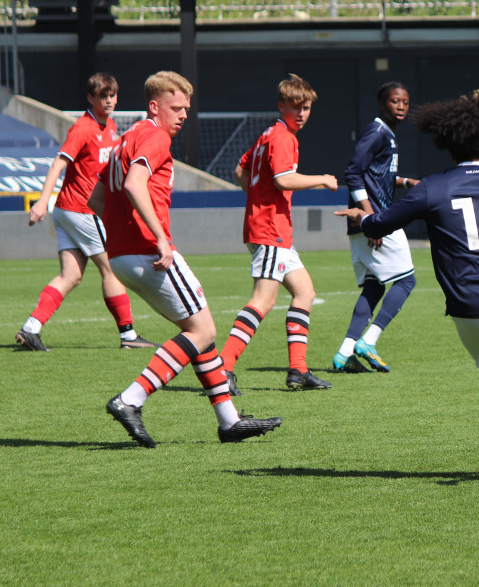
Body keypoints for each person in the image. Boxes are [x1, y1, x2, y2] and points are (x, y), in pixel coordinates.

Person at [335, 89, 479, 473]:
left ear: (451, 151)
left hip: (469, 307)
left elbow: (382, 222)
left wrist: (362, 217)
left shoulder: (432, 187)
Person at [88, 71, 282, 447]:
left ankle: (229, 421)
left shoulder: (123, 139)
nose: (183, 115)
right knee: (203, 331)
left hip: (124, 254)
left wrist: (123, 230)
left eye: (186, 109)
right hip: (150, 251)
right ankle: (131, 399)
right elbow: (132, 185)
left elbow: (97, 198)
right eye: (175, 108)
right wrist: (159, 236)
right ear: (154, 106)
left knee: (200, 334)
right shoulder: (154, 136)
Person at [15, 72, 156, 352]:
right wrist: (42, 201)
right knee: (111, 270)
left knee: (71, 275)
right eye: (103, 96)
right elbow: (58, 164)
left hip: (69, 212)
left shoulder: (111, 126)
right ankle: (128, 335)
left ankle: (31, 329)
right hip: (80, 210)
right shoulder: (83, 128)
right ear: (90, 98)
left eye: (112, 95)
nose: (109, 101)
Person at [219, 74, 338, 394]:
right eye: (295, 106)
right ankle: (223, 368)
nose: (301, 113)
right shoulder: (284, 137)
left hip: (271, 229)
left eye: (307, 107)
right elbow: (284, 180)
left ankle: (298, 371)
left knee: (305, 292)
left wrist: (257, 198)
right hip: (270, 230)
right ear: (281, 106)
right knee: (263, 300)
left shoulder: (267, 134)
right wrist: (322, 179)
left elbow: (239, 170)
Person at [332, 82, 419, 373]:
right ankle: (368, 340)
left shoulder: (386, 134)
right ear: (383, 104)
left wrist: (406, 182)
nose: (402, 106)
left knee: (374, 285)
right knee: (406, 281)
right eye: (395, 101)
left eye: (405, 102)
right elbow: (353, 172)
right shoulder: (377, 131)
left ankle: (344, 354)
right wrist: (372, 220)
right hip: (374, 220)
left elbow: (377, 176)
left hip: (367, 221)